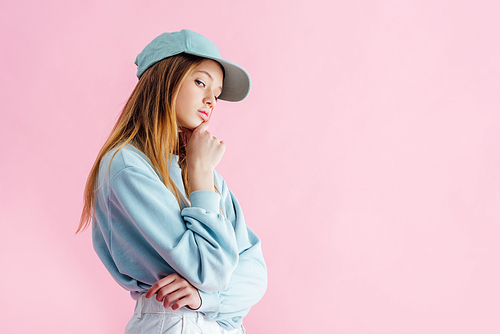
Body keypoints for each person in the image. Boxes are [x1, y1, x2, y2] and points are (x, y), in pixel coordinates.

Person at [76, 29, 267, 334]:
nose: (211, 101)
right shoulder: (127, 166)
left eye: (216, 93)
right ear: (165, 80)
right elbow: (209, 270)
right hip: (173, 322)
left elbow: (255, 273)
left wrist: (206, 298)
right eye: (200, 81)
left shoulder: (201, 172)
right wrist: (201, 175)